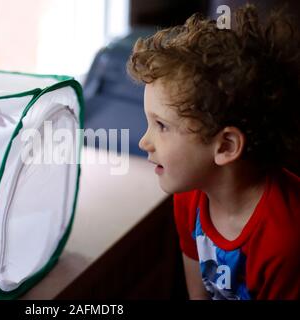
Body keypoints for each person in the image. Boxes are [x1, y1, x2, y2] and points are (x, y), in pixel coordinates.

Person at [127, 4, 300, 300]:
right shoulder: (189, 197)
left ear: (226, 146)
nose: (145, 141)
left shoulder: (285, 240)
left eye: (162, 126)